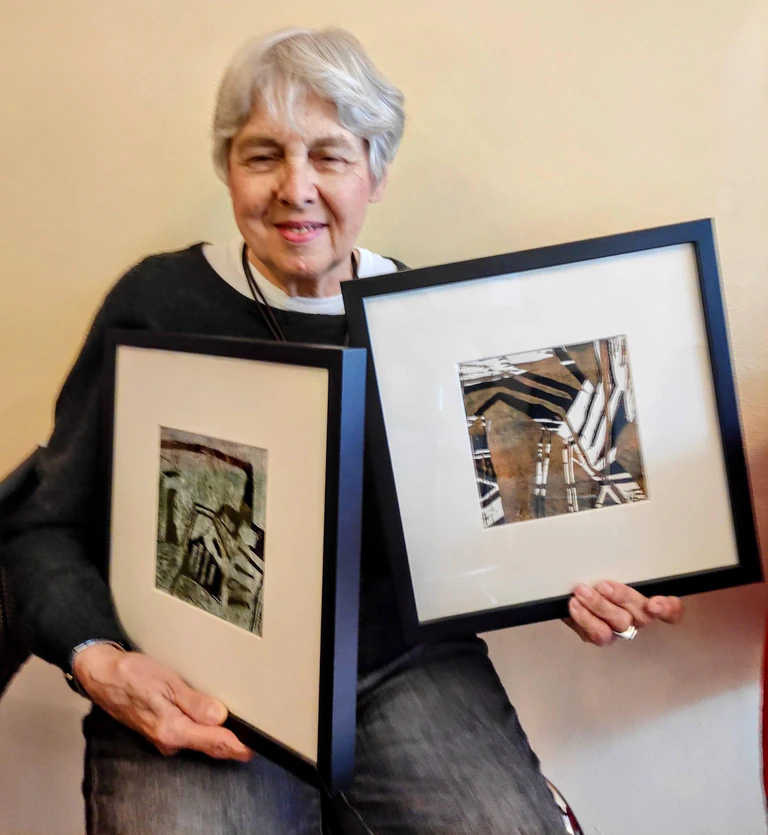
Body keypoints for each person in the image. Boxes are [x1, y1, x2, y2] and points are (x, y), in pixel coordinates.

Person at [1, 28, 684, 834]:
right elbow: (44, 523)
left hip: (402, 666)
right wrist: (101, 659)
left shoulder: (436, 323)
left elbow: (488, 531)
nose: (296, 188)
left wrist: (570, 574)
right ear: (228, 167)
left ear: (376, 173)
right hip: (192, 671)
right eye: (263, 155)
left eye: (330, 156)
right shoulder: (156, 303)